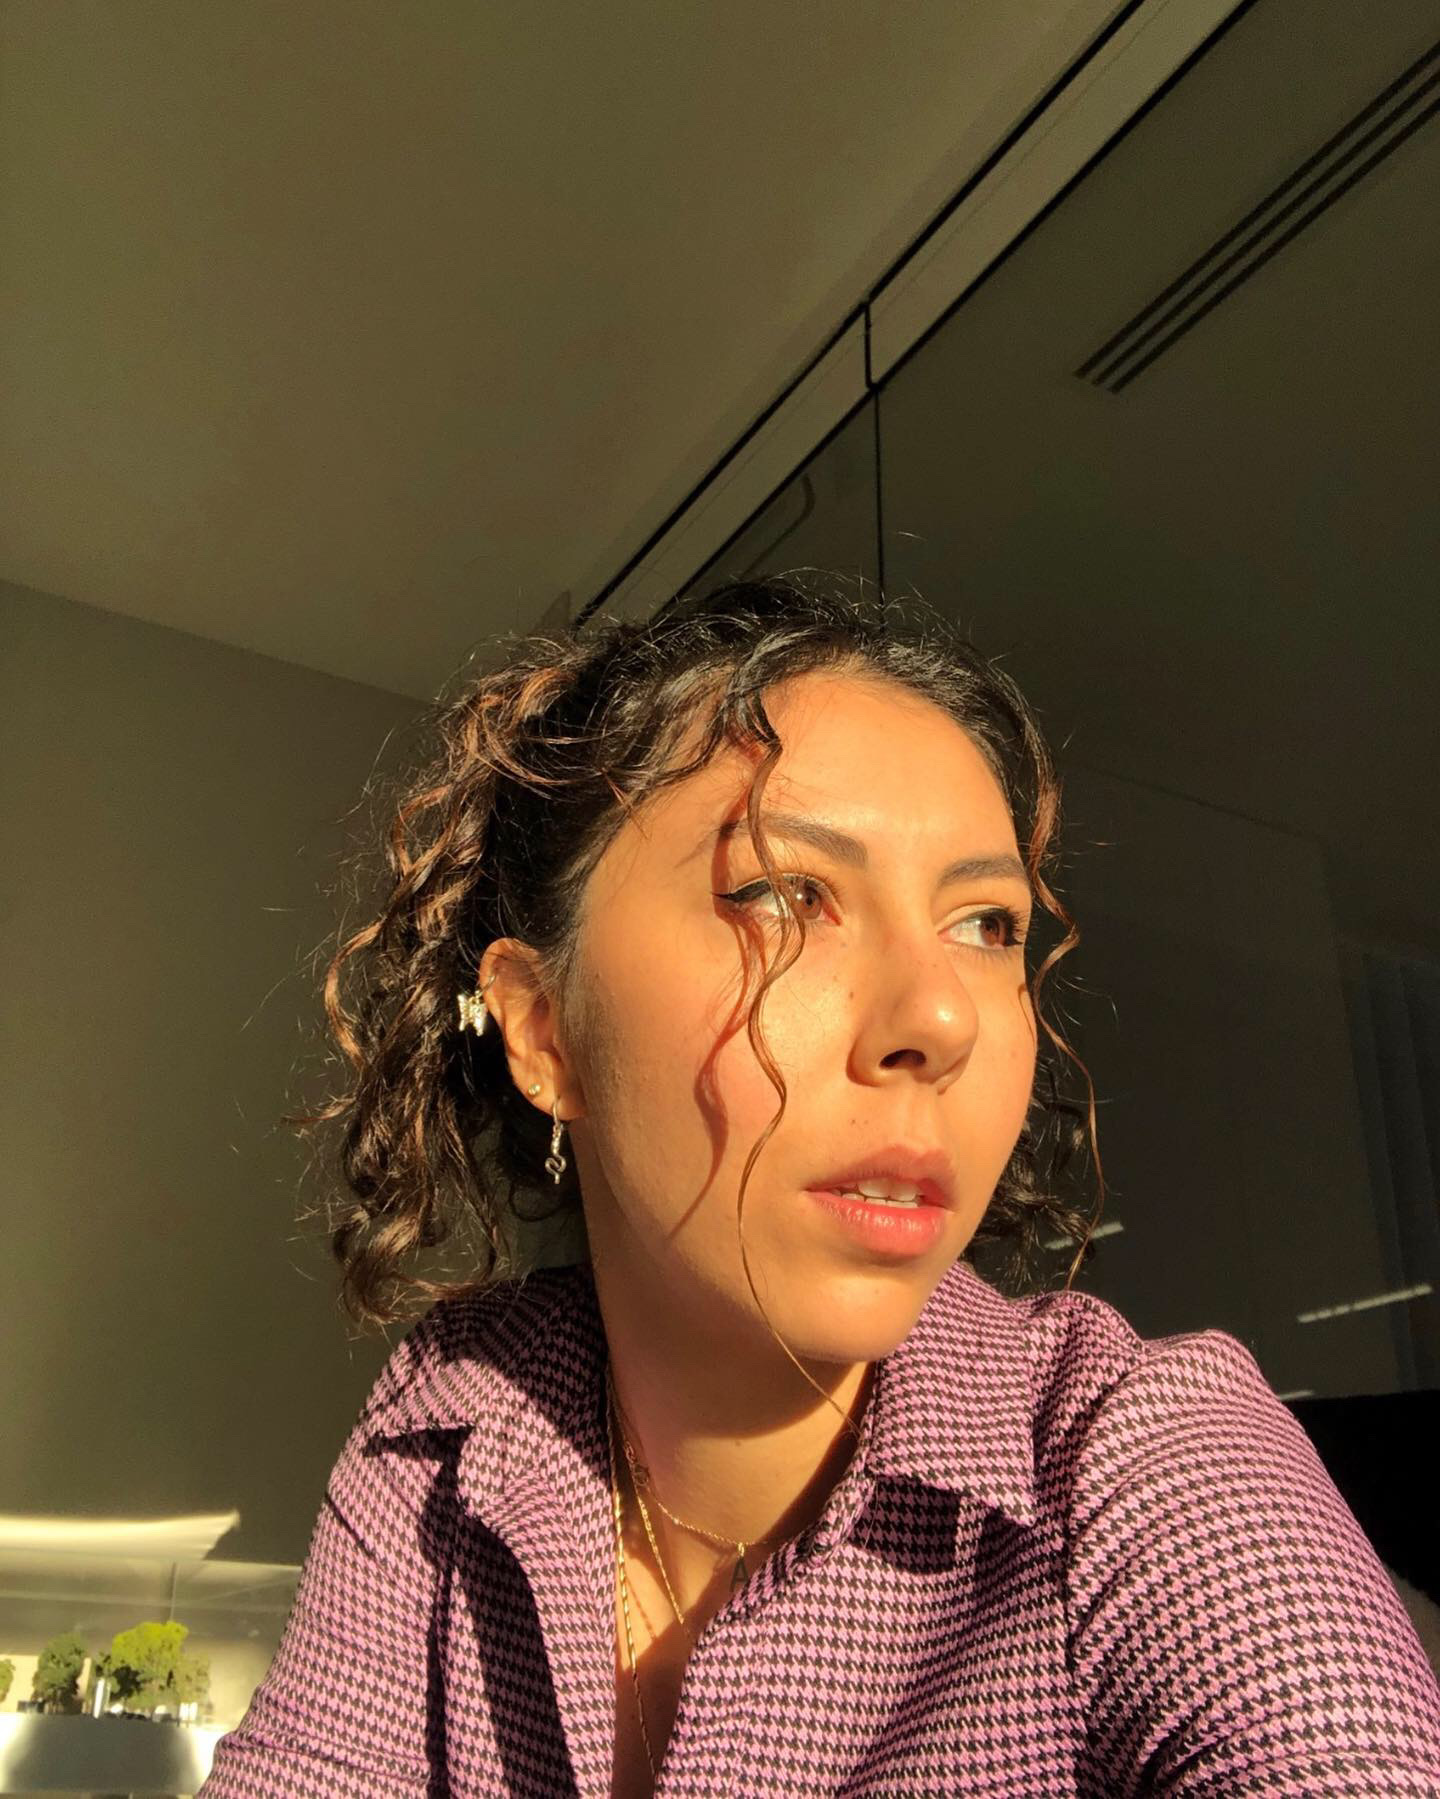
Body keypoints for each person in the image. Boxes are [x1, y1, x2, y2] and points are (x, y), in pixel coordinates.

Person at [200, 576, 1440, 1797]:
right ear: (545, 1031)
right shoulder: (453, 1427)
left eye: (987, 923)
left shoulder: (1141, 1458)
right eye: (787, 895)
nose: (942, 1017)